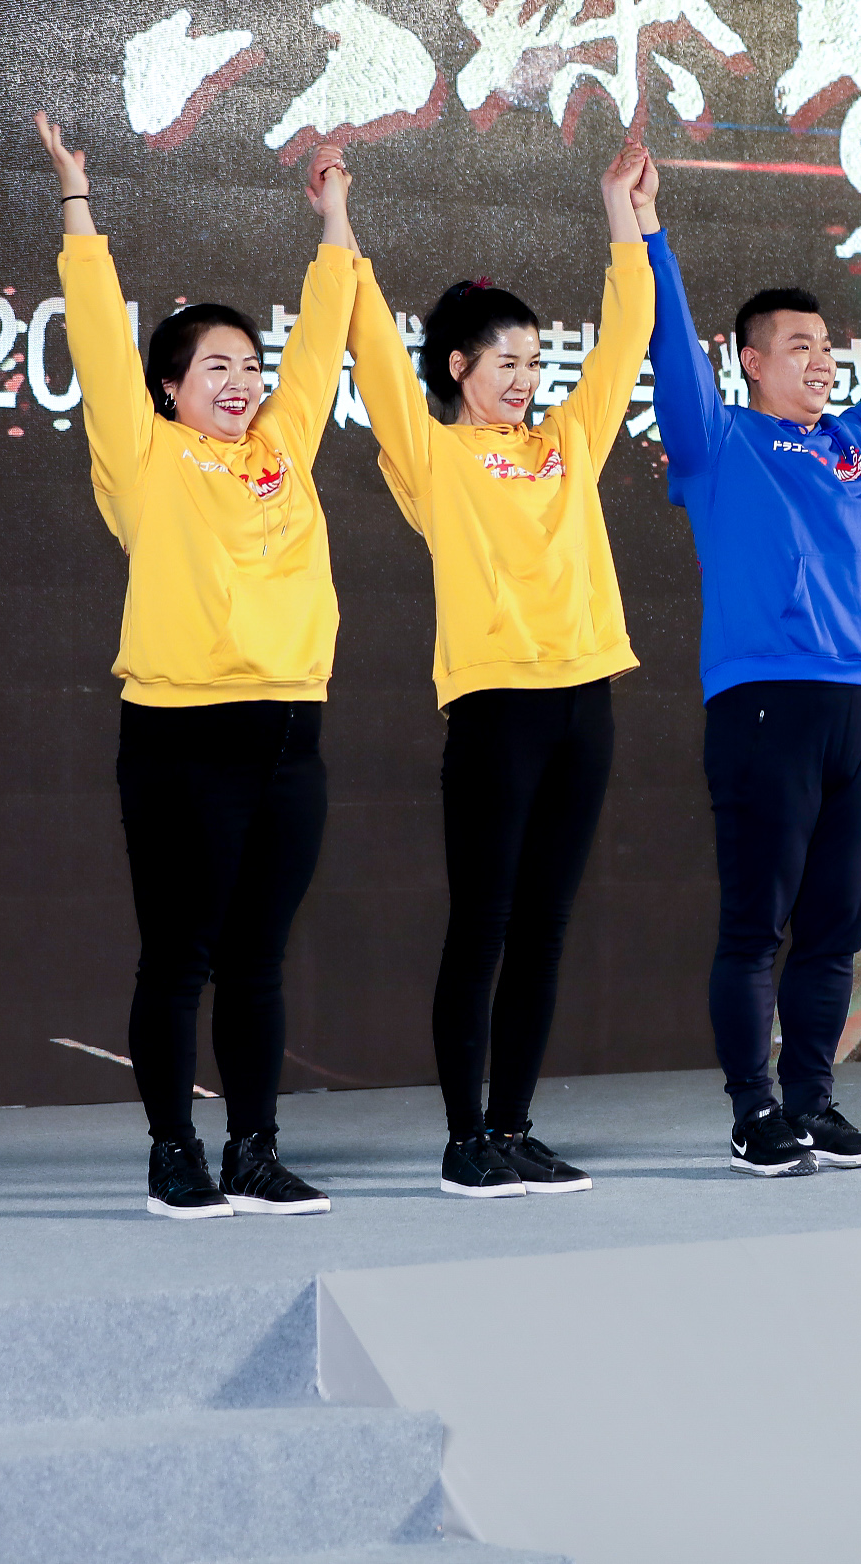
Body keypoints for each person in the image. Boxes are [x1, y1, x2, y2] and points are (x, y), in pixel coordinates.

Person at [37, 112, 359, 1218]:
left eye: (249, 366)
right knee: (181, 956)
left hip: (292, 735)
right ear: (170, 387)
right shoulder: (144, 455)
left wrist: (335, 220)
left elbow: (322, 340)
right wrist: (77, 199)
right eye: (216, 366)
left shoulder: (282, 448)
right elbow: (96, 335)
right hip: (183, 738)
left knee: (259, 959)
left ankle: (252, 1150)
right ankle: (173, 1149)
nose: (243, 380)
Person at [343, 141, 655, 1199]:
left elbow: (627, 334)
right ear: (458, 369)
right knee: (482, 926)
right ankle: (463, 1136)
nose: (526, 380)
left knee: (544, 929)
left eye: (533, 362)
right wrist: (339, 227)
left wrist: (621, 212)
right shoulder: (432, 456)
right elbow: (374, 357)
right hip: (494, 711)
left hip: (583, 702)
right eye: (505, 363)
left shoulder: (568, 440)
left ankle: (515, 1127)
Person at [641, 162, 861, 1177]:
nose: (822, 362)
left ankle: (813, 1102)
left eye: (825, 346)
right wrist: (649, 236)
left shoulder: (852, 446)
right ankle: (754, 1112)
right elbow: (671, 353)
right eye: (799, 347)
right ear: (750, 361)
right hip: (764, 704)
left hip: (858, 708)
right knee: (755, 926)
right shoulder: (717, 439)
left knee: (833, 930)